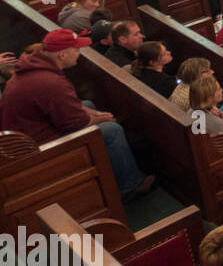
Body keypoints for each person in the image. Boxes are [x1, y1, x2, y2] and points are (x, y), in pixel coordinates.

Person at [0, 29, 154, 199]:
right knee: (111, 130)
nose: (79, 54)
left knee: (88, 104)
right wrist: (101, 118)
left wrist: (94, 113)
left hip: (31, 130)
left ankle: (111, 168)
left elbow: (69, 105)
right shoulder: (50, 82)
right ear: (62, 55)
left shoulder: (35, 65)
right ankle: (129, 186)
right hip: (36, 148)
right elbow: (74, 123)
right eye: (76, 50)